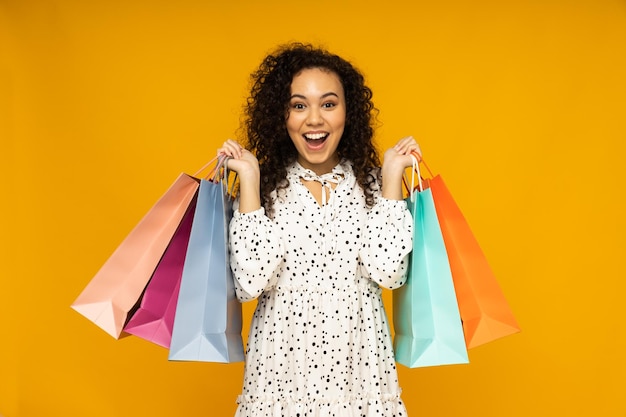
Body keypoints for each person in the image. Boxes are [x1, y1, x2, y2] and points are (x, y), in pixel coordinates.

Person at [218, 42, 421, 417]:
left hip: (360, 377)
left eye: (328, 104)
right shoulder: (263, 189)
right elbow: (249, 283)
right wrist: (248, 178)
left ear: (349, 113)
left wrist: (392, 177)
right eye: (299, 105)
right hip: (281, 377)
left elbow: (390, 275)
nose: (314, 119)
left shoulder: (372, 186)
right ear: (282, 116)